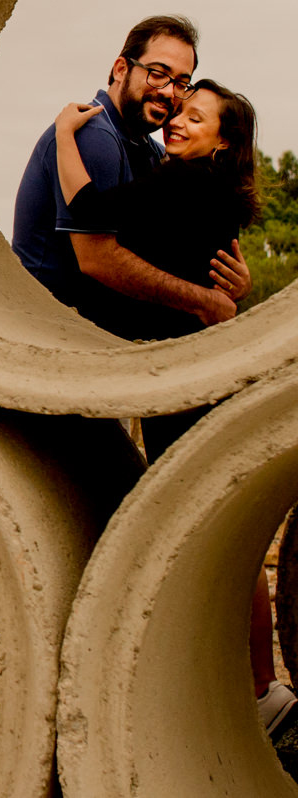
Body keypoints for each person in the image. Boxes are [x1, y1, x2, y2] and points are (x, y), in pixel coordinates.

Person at [53, 76, 296, 736]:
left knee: (209, 530)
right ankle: (253, 686)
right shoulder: (211, 188)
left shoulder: (184, 180)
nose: (179, 123)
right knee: (219, 528)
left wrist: (63, 138)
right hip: (200, 369)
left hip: (188, 375)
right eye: (180, 113)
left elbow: (93, 212)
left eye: (196, 117)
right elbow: (222, 261)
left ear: (224, 141)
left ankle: (257, 692)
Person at [11, 15, 251, 337]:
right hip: (50, 330)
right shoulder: (92, 133)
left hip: (105, 337)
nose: (169, 92)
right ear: (122, 69)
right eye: (158, 74)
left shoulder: (151, 150)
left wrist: (233, 282)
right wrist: (204, 300)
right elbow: (97, 257)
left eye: (181, 82)